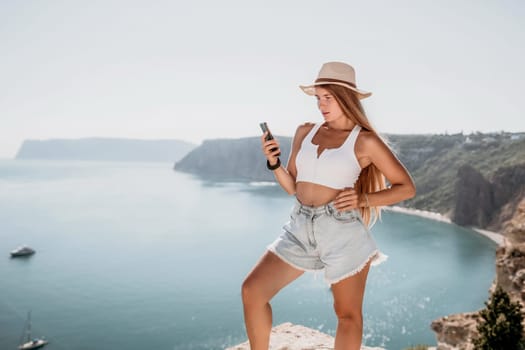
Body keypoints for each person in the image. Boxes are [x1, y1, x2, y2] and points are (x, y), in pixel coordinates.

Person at [241, 61, 416, 350]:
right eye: (318, 98)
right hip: (299, 226)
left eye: (328, 97)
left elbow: (406, 188)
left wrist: (364, 199)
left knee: (347, 315)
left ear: (346, 98)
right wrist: (274, 163)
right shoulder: (305, 132)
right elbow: (293, 187)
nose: (321, 105)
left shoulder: (366, 141)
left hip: (342, 230)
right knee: (252, 291)